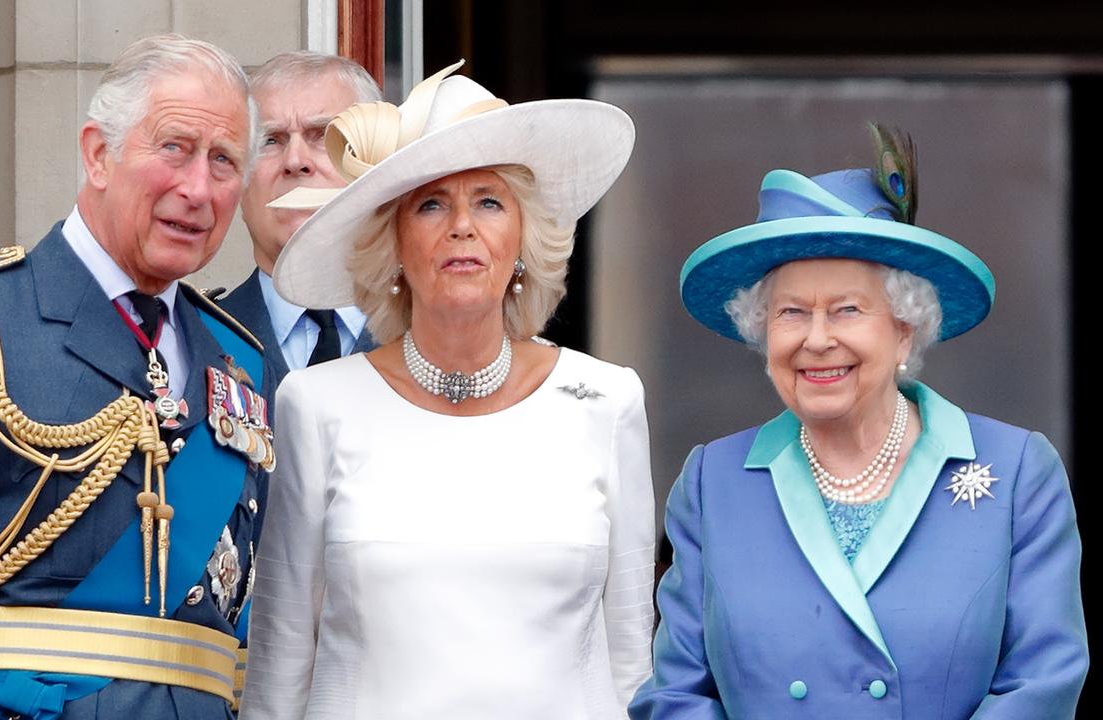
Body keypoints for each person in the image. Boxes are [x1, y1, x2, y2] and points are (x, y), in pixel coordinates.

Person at [0, 34, 274, 720]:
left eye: (224, 162)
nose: (198, 188)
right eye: (175, 149)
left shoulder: (238, 365)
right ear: (99, 154)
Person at [629, 126, 1088, 719]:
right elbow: (675, 695)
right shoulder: (711, 482)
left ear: (904, 329)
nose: (818, 340)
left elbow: (1043, 686)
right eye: (791, 313)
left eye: (847, 309)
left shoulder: (1019, 472)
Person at [242, 61, 655, 719]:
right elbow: (279, 668)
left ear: (521, 239)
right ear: (394, 244)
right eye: (431, 203)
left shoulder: (606, 401)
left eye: (489, 201)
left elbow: (632, 662)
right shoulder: (315, 403)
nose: (462, 225)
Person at [218, 51, 381, 414]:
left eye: (323, 135)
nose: (295, 161)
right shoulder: (193, 340)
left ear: (375, 166)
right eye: (270, 141)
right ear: (239, 180)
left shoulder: (434, 335)